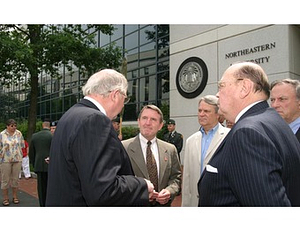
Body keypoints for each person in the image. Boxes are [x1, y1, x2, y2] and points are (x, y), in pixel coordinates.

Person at [46, 69, 153, 207]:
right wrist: (141, 185)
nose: (123, 105)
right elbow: (103, 191)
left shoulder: (70, 115)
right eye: (124, 99)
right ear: (115, 95)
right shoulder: (95, 120)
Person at [198, 61, 300, 206]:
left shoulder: (247, 133)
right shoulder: (274, 121)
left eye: (221, 86)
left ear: (244, 88)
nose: (217, 94)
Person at [122, 105, 181, 206]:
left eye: (153, 119)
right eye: (144, 118)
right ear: (138, 121)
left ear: (160, 125)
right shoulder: (123, 147)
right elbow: (119, 180)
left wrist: (169, 192)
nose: (148, 123)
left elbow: (176, 178)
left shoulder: (170, 149)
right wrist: (141, 193)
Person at [182, 95, 230, 206]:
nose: (201, 114)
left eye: (206, 111)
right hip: (195, 203)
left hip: (219, 203)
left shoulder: (229, 137)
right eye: (200, 110)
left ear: (217, 114)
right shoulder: (191, 141)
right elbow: (187, 181)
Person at [0, 119, 25, 206]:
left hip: (17, 159)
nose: (14, 127)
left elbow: (22, 145)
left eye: (15, 125)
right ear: (7, 126)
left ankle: (15, 196)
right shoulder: (2, 135)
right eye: (12, 126)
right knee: (5, 180)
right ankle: (5, 198)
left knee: (15, 179)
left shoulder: (19, 133)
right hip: (5, 160)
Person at [29, 119, 52, 207]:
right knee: (50, 186)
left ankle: (42, 204)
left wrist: (34, 163)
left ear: (42, 126)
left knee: (41, 188)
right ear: (49, 127)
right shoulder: (52, 136)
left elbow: (31, 152)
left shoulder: (35, 136)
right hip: (50, 165)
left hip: (39, 164)